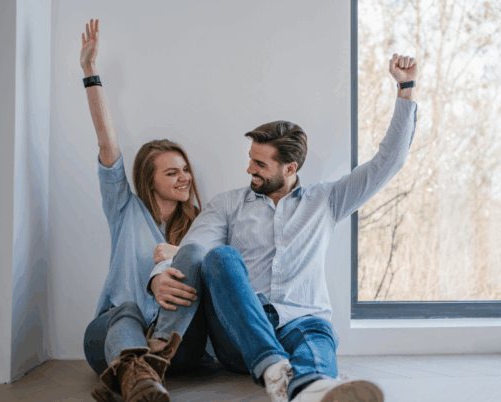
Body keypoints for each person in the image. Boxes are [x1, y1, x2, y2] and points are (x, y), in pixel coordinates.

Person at [147, 52, 419, 402]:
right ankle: (276, 366)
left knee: (315, 338)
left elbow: (388, 163)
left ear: (289, 169)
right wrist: (158, 273)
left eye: (259, 164)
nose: (249, 169)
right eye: (250, 159)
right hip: (241, 332)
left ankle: (309, 389)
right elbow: (194, 250)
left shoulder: (327, 200)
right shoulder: (228, 205)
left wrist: (406, 90)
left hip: (302, 321)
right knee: (221, 257)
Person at [78, 19, 208, 402]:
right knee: (127, 310)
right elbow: (107, 142)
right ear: (149, 182)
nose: (184, 178)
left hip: (177, 344)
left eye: (185, 169)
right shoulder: (125, 209)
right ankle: (141, 378)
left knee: (196, 260)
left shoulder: (201, 224)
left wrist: (178, 254)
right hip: (114, 333)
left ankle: (135, 376)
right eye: (172, 172)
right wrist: (90, 72)